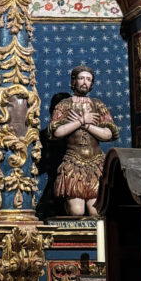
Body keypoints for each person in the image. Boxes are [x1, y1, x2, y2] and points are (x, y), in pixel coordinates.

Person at [49, 65, 119, 217]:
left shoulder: (98, 105)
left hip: (96, 163)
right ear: (74, 81)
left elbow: (108, 134)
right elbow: (57, 132)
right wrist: (81, 121)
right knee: (77, 211)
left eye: (88, 79)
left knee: (96, 211)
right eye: (81, 78)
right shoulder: (64, 105)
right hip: (73, 162)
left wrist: (86, 125)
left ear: (92, 83)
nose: (85, 82)